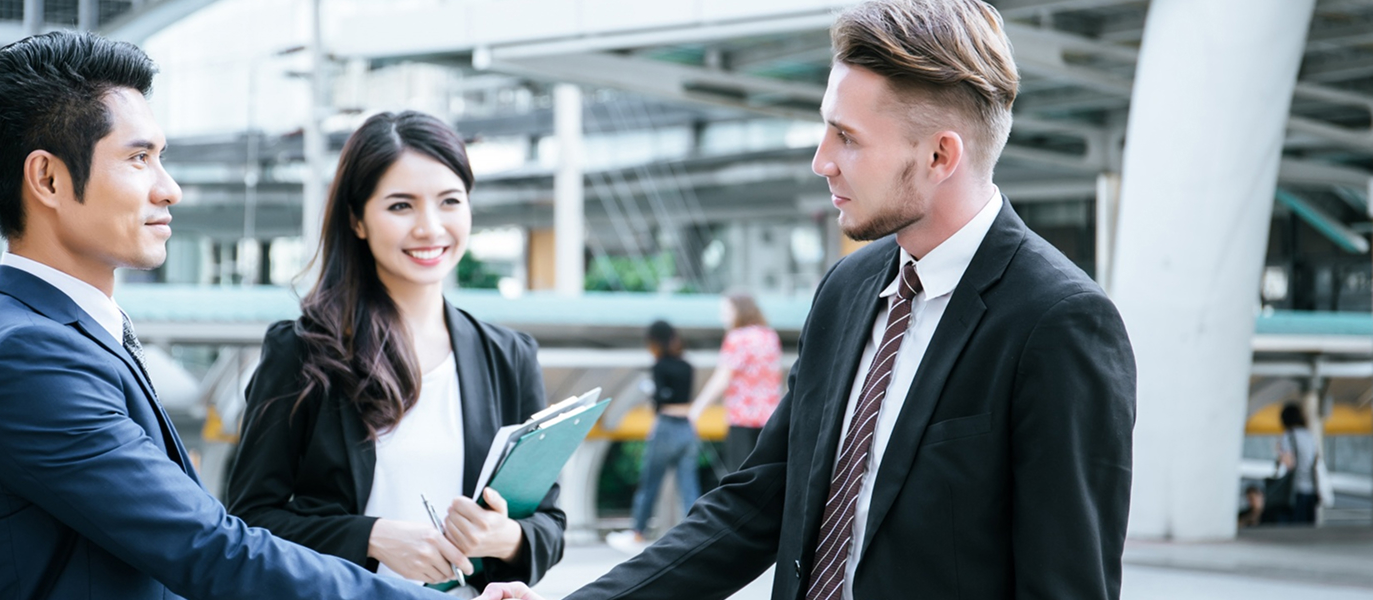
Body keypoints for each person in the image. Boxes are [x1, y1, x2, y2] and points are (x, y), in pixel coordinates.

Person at [485, 1, 1136, 599]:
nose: (821, 161)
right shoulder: (848, 288)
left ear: (941, 155)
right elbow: (757, 503)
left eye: (847, 138)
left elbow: (1066, 586)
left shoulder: (1060, 324)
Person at [0, 32, 455, 600]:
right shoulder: (29, 357)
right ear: (49, 180)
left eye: (162, 158)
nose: (170, 189)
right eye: (138, 159)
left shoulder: (61, 335)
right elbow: (210, 550)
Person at [225, 111, 565, 594]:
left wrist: (505, 538)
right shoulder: (303, 352)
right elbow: (248, 521)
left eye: (450, 201)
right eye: (401, 206)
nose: (430, 228)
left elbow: (548, 522)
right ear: (357, 220)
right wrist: (373, 537)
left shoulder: (509, 356)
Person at [605, 321, 700, 552]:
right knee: (689, 486)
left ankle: (638, 532)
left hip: (666, 426)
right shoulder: (688, 366)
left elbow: (659, 401)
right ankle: (698, 535)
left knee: (650, 483)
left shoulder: (659, 366)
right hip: (687, 426)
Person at [687, 293, 783, 470]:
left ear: (739, 311)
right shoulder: (770, 336)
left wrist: (697, 408)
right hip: (769, 418)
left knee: (739, 475)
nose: (722, 316)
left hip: (742, 418)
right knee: (763, 473)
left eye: (726, 311)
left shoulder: (737, 338)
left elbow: (722, 378)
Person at [1273, 403, 1320, 524]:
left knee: (1293, 528)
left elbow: (1288, 463)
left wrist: (1279, 455)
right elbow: (1315, 459)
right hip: (1311, 489)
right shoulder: (1310, 436)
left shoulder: (1288, 436)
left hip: (1294, 490)